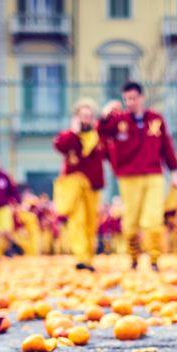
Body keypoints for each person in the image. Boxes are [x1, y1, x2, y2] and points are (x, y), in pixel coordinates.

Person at [99, 81, 177, 271]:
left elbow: (166, 146)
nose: (130, 102)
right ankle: (133, 256)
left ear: (142, 98)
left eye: (134, 98)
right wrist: (105, 115)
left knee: (153, 217)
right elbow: (100, 134)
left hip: (153, 174)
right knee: (131, 219)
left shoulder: (155, 119)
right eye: (127, 99)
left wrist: (174, 171)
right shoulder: (118, 120)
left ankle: (154, 258)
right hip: (129, 175)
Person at [53, 99, 105, 271]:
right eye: (83, 116)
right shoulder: (70, 137)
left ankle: (88, 258)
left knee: (91, 223)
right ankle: (81, 257)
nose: (86, 119)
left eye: (89, 116)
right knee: (78, 221)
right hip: (74, 186)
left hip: (93, 185)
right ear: (76, 117)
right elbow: (59, 145)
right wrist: (73, 131)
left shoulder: (99, 136)